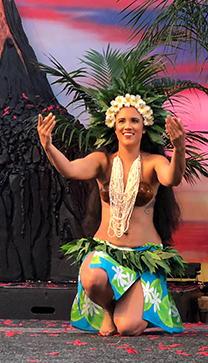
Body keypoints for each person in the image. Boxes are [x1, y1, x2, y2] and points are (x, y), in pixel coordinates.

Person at [36, 50, 193, 336]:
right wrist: (48, 146)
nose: (128, 126)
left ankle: (128, 309)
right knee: (94, 280)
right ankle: (109, 308)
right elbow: (70, 169)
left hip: (144, 256)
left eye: (134, 121)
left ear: (144, 127)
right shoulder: (103, 162)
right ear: (114, 126)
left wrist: (179, 149)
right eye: (122, 121)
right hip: (106, 253)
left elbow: (173, 177)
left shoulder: (153, 163)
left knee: (130, 328)